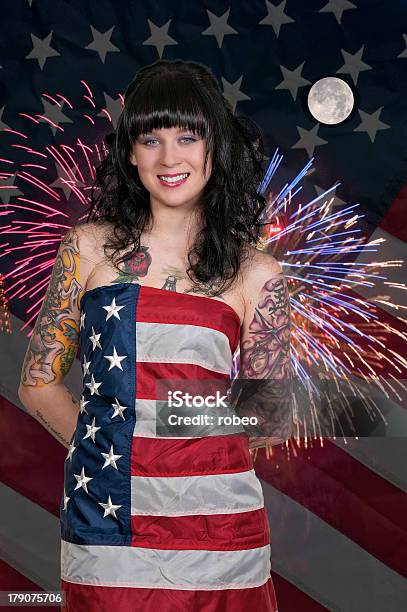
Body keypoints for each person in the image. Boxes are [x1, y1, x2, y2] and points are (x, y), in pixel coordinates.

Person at [18, 59, 292, 612]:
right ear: (130, 153)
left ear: (214, 148)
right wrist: (113, 450)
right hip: (108, 522)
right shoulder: (87, 249)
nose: (170, 158)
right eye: (152, 139)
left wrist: (174, 429)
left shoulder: (259, 275)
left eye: (187, 137)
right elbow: (37, 384)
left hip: (220, 532)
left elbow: (268, 421)